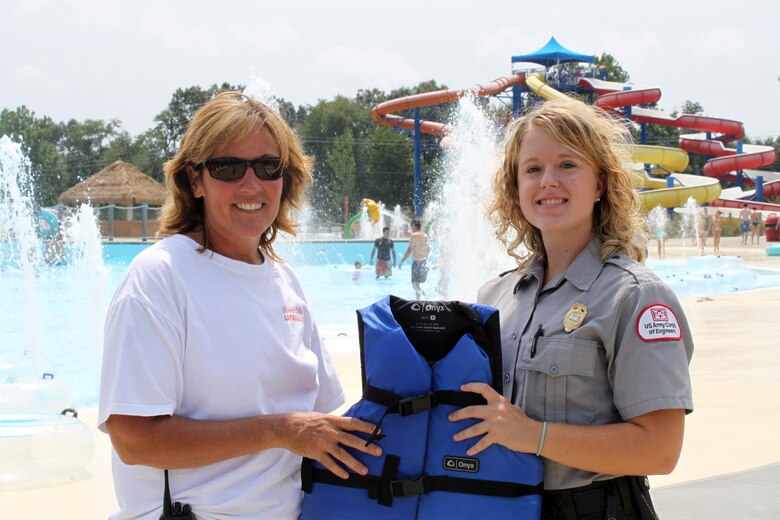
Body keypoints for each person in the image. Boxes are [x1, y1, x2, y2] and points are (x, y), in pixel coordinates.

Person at [98, 91, 380, 520]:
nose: (251, 185)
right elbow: (134, 441)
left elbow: (318, 422)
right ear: (195, 181)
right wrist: (279, 430)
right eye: (227, 167)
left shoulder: (285, 281)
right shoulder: (160, 277)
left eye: (268, 167)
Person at [449, 99, 694, 519]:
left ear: (600, 184)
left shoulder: (634, 297)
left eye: (567, 165)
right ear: (515, 186)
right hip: (502, 506)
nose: (548, 181)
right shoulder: (494, 297)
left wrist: (534, 436)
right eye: (532, 169)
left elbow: (660, 449)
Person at [398, 219, 430, 300]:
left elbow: (409, 250)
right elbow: (428, 249)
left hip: (416, 262)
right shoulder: (425, 235)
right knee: (418, 284)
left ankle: (419, 297)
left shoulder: (414, 235)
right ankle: (422, 298)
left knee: (414, 285)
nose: (411, 228)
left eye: (411, 226)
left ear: (415, 225)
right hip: (423, 262)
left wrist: (402, 261)